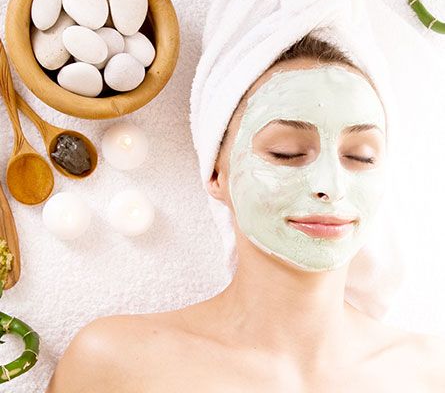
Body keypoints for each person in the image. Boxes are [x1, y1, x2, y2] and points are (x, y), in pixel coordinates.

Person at [45, 32, 445, 393]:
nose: (332, 185)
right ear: (217, 173)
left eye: (361, 157)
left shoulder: (430, 373)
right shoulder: (113, 364)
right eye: (285, 152)